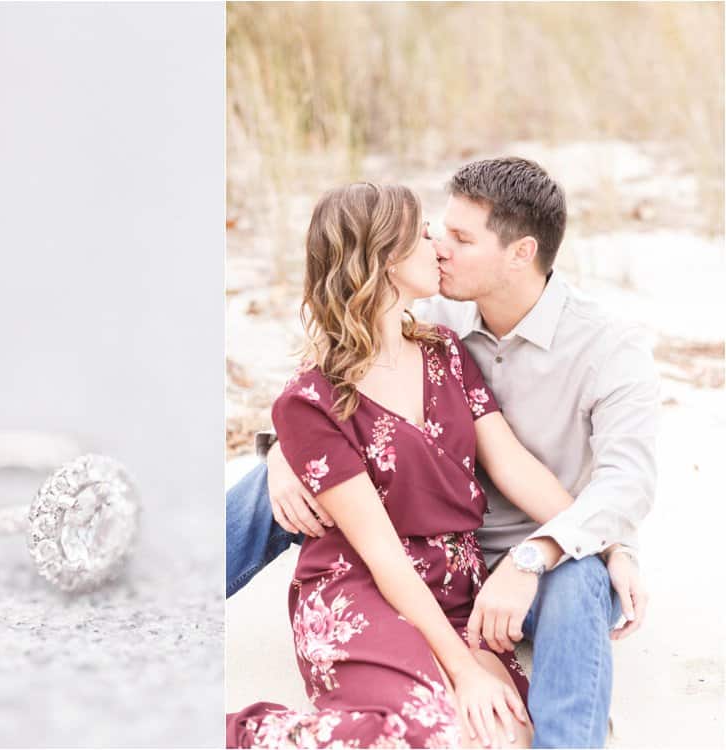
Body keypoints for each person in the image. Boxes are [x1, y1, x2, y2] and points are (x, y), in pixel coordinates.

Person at [227, 158, 657, 748]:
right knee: (427, 731)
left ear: (519, 252)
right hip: (375, 566)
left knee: (511, 711)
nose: (439, 246)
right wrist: (282, 451)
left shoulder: (460, 345)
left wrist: (607, 544)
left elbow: (543, 469)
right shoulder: (417, 322)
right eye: (429, 234)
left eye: (457, 237)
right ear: (384, 261)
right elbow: (328, 377)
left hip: (496, 566)